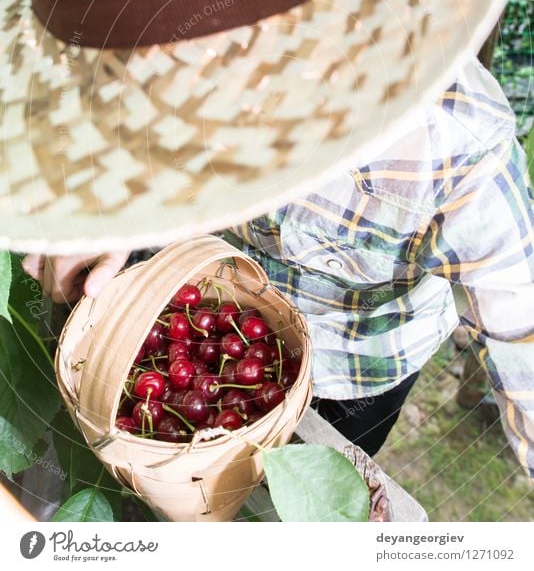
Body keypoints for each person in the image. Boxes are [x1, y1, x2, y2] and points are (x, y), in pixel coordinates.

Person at [23, 56, 534, 473]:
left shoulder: (461, 143)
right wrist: (105, 207)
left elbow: (525, 333)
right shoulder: (187, 48)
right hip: (210, 318)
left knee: (312, 487)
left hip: (360, 370)